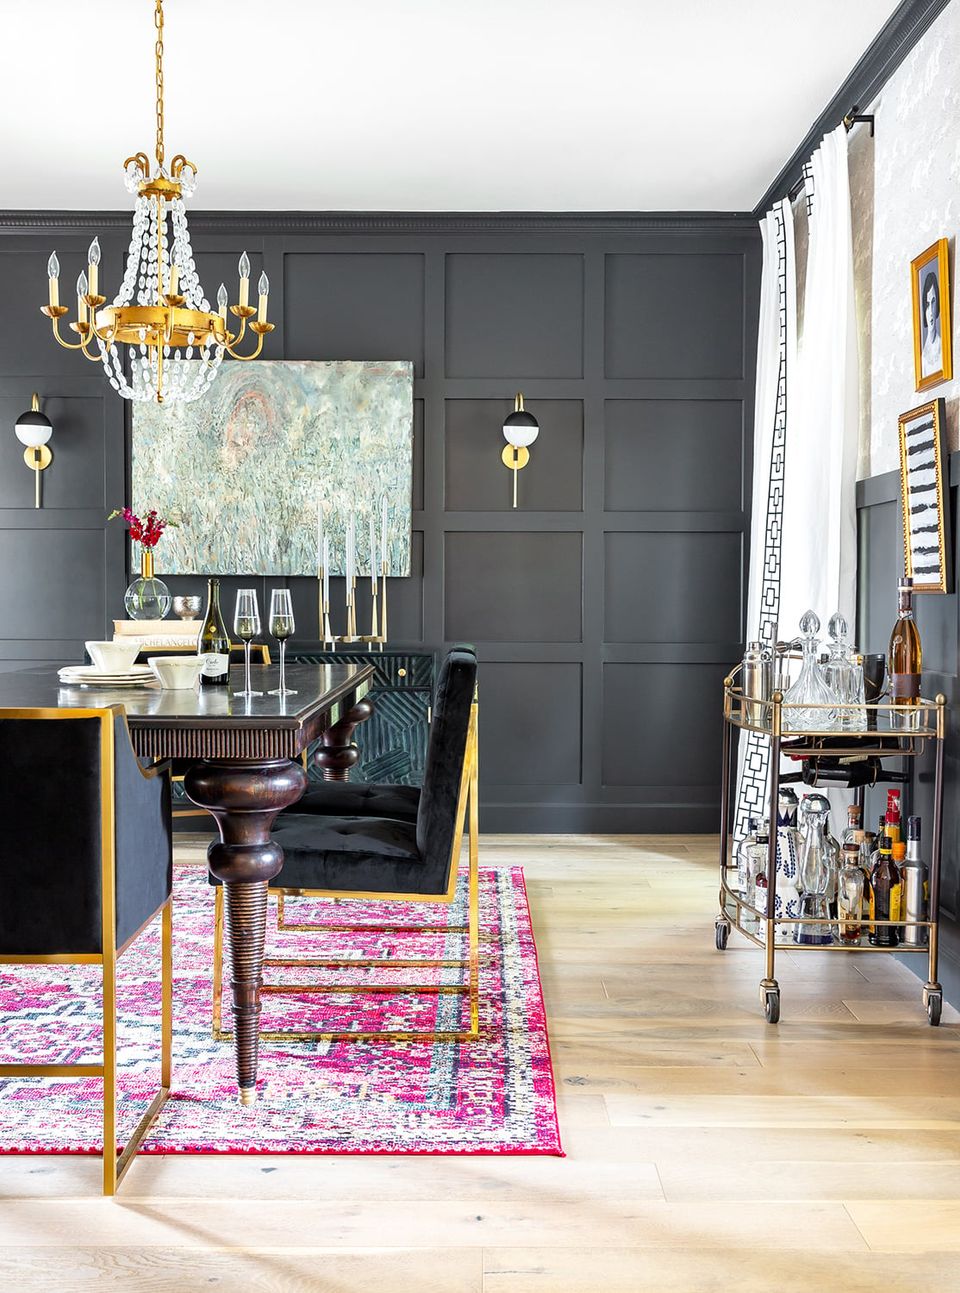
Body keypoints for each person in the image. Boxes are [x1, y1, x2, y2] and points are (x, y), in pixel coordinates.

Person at [920, 269, 942, 377]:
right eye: (928, 305)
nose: (931, 313)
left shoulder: (943, 346)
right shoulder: (923, 357)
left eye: (933, 302)